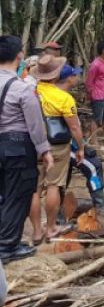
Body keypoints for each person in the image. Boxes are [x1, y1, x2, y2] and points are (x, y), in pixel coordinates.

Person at [0, 35, 54, 262]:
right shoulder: (21, 89)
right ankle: (7, 248)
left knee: (3, 195)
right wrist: (45, 151)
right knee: (18, 195)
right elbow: (35, 124)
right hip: (17, 147)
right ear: (19, 55)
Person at [29, 57, 85, 242]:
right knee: (53, 184)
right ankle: (51, 227)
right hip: (57, 146)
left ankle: (37, 231)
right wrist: (81, 147)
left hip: (34, 144)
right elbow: (74, 127)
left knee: (34, 190)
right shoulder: (63, 98)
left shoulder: (31, 91)